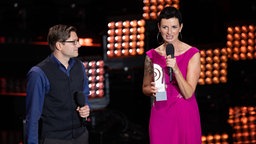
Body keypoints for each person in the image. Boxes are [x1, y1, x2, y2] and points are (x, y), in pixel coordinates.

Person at [142, 6, 202, 144]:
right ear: (159, 27)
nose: (169, 32)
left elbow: (188, 93)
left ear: (180, 27)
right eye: (165, 27)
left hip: (185, 115)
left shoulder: (193, 54)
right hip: (160, 115)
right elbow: (144, 87)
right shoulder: (151, 56)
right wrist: (150, 90)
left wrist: (175, 69)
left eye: (174, 27)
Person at [25, 24, 90, 144]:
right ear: (59, 45)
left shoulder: (79, 66)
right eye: (74, 42)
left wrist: (86, 108)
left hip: (81, 136)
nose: (79, 45)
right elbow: (32, 116)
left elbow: (84, 94)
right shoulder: (38, 73)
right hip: (54, 139)